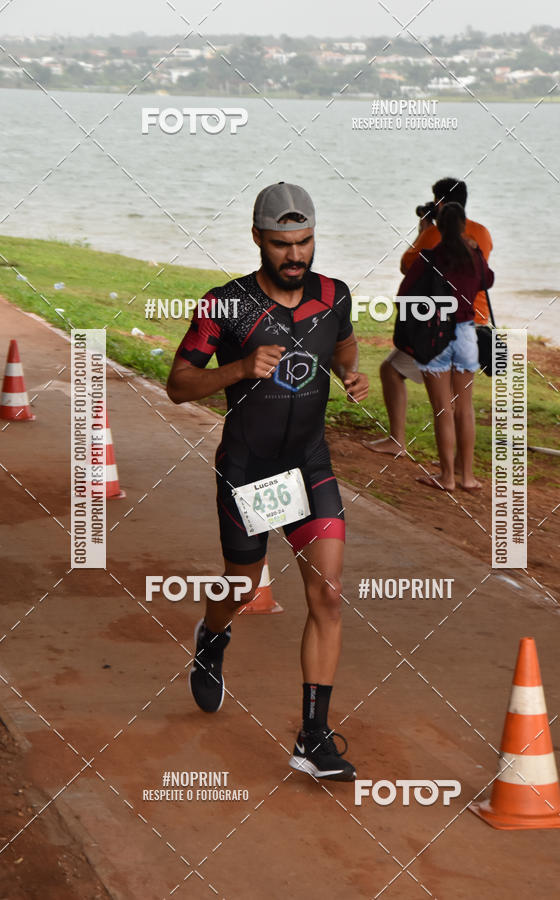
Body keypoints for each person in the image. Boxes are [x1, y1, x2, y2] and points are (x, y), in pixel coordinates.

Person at [167, 182, 368, 781]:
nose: (294, 255)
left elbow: (346, 349)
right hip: (251, 471)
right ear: (257, 238)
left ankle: (312, 738)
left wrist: (351, 378)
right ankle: (212, 635)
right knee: (242, 583)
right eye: (281, 243)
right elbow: (178, 383)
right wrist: (238, 367)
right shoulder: (222, 305)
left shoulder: (335, 296)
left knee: (328, 595)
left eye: (304, 242)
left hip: (309, 465)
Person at [366, 177, 493, 457]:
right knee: (462, 401)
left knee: (396, 373)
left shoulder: (435, 236)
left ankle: (399, 442)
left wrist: (422, 230)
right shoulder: (482, 233)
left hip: (439, 327)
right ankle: (463, 471)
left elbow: (406, 267)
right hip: (475, 323)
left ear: (441, 204)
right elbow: (485, 276)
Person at [399, 202, 494, 492]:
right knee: (464, 408)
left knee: (443, 409)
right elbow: (487, 280)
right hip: (466, 334)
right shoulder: (473, 256)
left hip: (436, 335)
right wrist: (476, 250)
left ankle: (447, 477)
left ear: (438, 226)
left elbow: (406, 291)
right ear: (464, 225)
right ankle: (468, 477)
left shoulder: (431, 257)